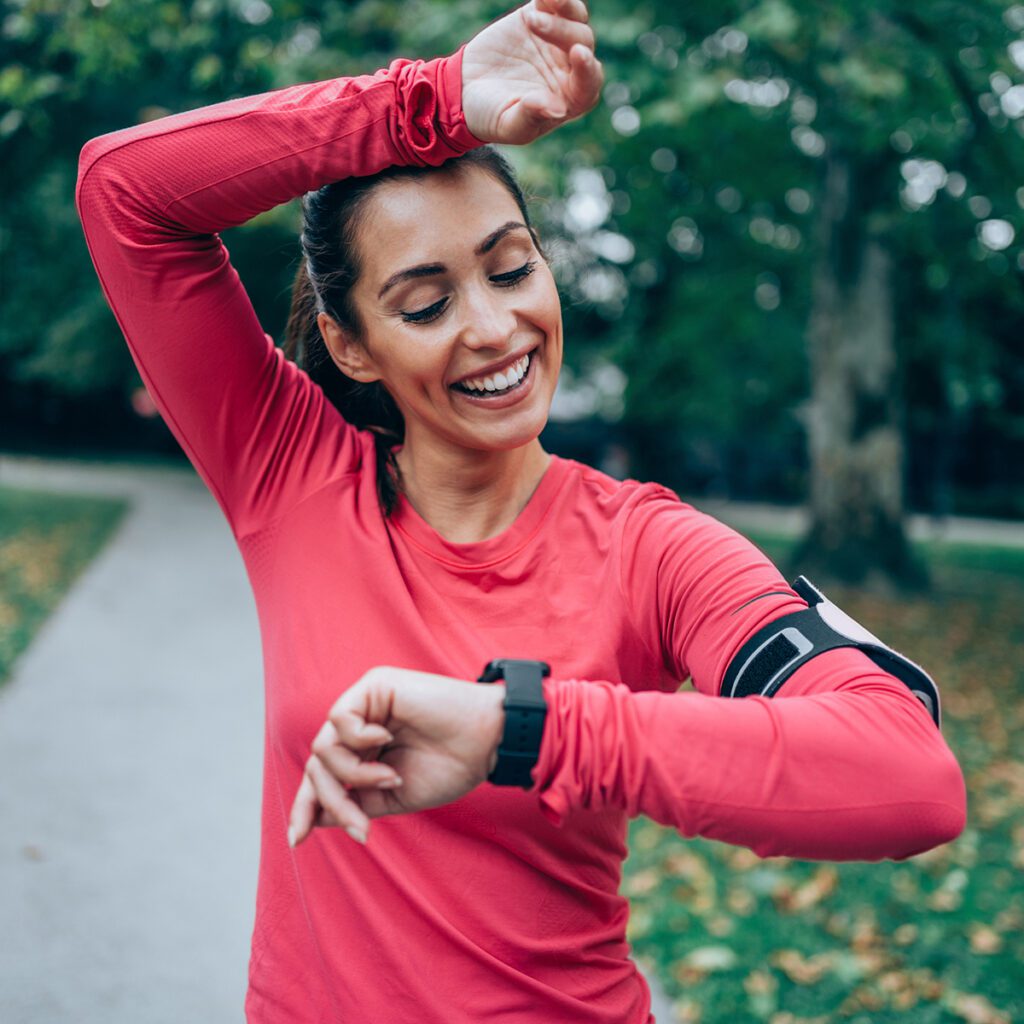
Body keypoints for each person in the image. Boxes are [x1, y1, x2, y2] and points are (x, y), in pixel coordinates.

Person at [76, 1, 966, 1020]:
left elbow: (910, 775)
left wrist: (525, 728)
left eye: (511, 268)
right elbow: (125, 191)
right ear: (352, 342)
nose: (494, 329)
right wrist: (433, 101)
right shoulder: (288, 473)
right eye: (425, 303)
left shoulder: (650, 547)